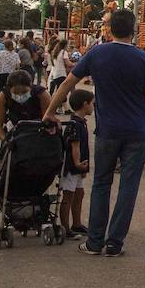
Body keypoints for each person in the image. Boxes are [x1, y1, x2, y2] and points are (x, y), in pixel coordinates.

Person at [44, 9, 145, 258]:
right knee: (128, 187)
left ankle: (95, 241)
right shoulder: (143, 59)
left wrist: (50, 111)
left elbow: (67, 84)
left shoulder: (97, 53)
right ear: (134, 29)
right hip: (137, 131)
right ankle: (115, 242)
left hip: (107, 130)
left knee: (101, 183)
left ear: (109, 29)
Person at [59, 89, 94, 237]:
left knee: (79, 193)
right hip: (71, 167)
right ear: (85, 104)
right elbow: (75, 146)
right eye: (92, 104)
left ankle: (77, 223)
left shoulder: (80, 122)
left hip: (78, 167)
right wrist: (78, 164)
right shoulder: (75, 124)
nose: (93, 106)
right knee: (68, 195)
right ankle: (65, 228)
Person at [0, 70, 51, 139]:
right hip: (15, 131)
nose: (20, 95)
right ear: (9, 89)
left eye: (24, 92)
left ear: (31, 86)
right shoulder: (4, 96)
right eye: (16, 92)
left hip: (39, 131)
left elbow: (48, 121)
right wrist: (6, 141)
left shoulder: (42, 94)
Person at [48, 38, 71, 103]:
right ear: (65, 45)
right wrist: (76, 64)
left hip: (56, 74)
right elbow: (68, 63)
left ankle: (58, 106)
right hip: (61, 74)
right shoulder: (64, 52)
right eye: (68, 45)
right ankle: (56, 105)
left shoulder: (56, 52)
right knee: (61, 92)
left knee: (58, 91)